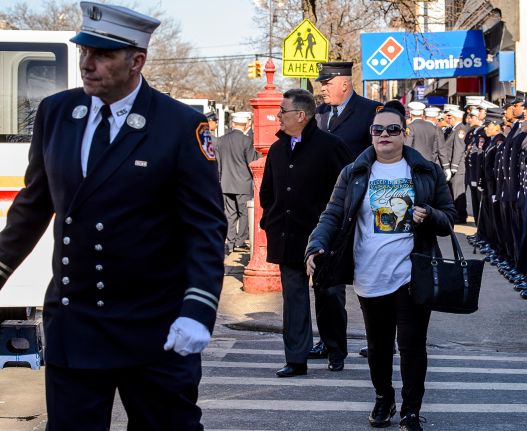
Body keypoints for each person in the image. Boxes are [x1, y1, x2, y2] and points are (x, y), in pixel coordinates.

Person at [0, 3, 227, 429]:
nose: (88, 64)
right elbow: (32, 207)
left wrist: (198, 308)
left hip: (154, 324)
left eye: (103, 55)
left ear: (136, 61)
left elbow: (205, 228)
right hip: (76, 318)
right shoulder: (57, 114)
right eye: (85, 52)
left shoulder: (179, 125)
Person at [305, 100, 456, 431]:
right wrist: (316, 245)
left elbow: (450, 218)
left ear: (404, 133)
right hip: (369, 274)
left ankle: (411, 410)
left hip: (411, 273)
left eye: (391, 129)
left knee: (412, 345)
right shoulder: (355, 172)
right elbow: (332, 214)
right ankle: (383, 398)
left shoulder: (425, 171)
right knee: (378, 345)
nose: (384, 135)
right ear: (370, 134)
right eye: (377, 130)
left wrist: (430, 215)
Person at [259, 88, 352, 377]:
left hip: (322, 237)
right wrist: (270, 221)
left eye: (282, 112)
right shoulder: (277, 148)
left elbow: (348, 189)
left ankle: (335, 348)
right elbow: (268, 193)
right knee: (294, 298)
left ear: (301, 115)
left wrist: (335, 228)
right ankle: (296, 358)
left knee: (329, 294)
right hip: (287, 235)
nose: (278, 117)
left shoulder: (329, 146)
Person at [312, 61, 382, 360]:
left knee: (373, 278)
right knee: (326, 279)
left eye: (327, 83)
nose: (322, 88)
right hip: (327, 209)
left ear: (344, 82)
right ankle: (331, 342)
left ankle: (379, 340)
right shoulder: (320, 114)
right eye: (321, 83)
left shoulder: (371, 112)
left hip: (363, 207)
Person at [218, 111, 260, 254]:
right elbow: (252, 163)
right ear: (246, 124)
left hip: (225, 183)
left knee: (230, 214)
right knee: (244, 214)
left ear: (233, 123)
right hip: (243, 183)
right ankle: (240, 242)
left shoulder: (221, 139)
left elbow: (218, 163)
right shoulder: (247, 141)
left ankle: (230, 242)